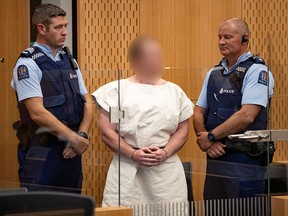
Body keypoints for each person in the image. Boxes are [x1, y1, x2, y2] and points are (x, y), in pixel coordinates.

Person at [92, 35, 194, 214]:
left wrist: (165, 152)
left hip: (166, 171)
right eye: (152, 56)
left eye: (159, 56)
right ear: (137, 60)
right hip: (127, 166)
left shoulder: (174, 92)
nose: (157, 62)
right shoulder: (118, 91)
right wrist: (133, 153)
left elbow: (183, 129)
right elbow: (108, 131)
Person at [193, 17, 274, 208]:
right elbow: (198, 112)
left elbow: (246, 116)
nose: (221, 42)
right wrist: (206, 141)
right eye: (219, 37)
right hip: (215, 158)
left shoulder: (257, 71)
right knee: (214, 210)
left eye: (227, 37)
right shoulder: (214, 72)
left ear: (244, 39)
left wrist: (211, 136)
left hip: (244, 162)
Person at [11, 4, 92, 193]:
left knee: (72, 208)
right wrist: (73, 138)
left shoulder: (69, 60)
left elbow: (87, 102)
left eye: (65, 26)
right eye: (58, 27)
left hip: (72, 150)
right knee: (40, 209)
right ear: (41, 28)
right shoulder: (28, 63)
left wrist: (81, 136)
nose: (65, 32)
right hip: (42, 150)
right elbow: (37, 112)